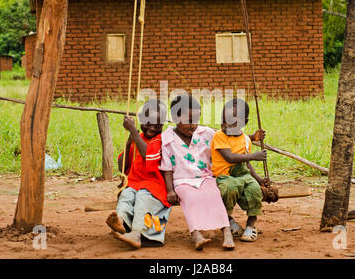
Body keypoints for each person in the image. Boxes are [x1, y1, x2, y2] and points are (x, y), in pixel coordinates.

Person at [159, 94, 235, 250]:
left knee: (214, 195)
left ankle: (226, 232)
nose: (193, 125)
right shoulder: (167, 138)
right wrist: (170, 190)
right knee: (191, 199)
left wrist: (251, 137)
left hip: (205, 177)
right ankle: (196, 234)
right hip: (182, 181)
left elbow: (227, 140)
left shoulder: (206, 133)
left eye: (196, 120)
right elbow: (166, 167)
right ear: (175, 118)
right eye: (188, 121)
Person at [106, 99, 171, 249]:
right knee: (126, 195)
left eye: (158, 125)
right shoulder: (137, 138)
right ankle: (120, 222)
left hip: (154, 186)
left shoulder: (160, 140)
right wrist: (129, 142)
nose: (153, 128)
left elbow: (147, 155)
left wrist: (134, 132)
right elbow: (123, 166)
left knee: (142, 196)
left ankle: (136, 234)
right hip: (134, 183)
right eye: (149, 123)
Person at [211, 98, 268, 242]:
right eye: (223, 120)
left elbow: (246, 164)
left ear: (244, 123)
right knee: (227, 190)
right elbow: (230, 157)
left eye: (231, 121)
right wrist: (254, 155)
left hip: (243, 176)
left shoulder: (245, 140)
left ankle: (250, 225)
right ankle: (229, 221)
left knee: (255, 190)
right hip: (225, 176)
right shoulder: (219, 136)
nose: (225, 125)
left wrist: (260, 179)